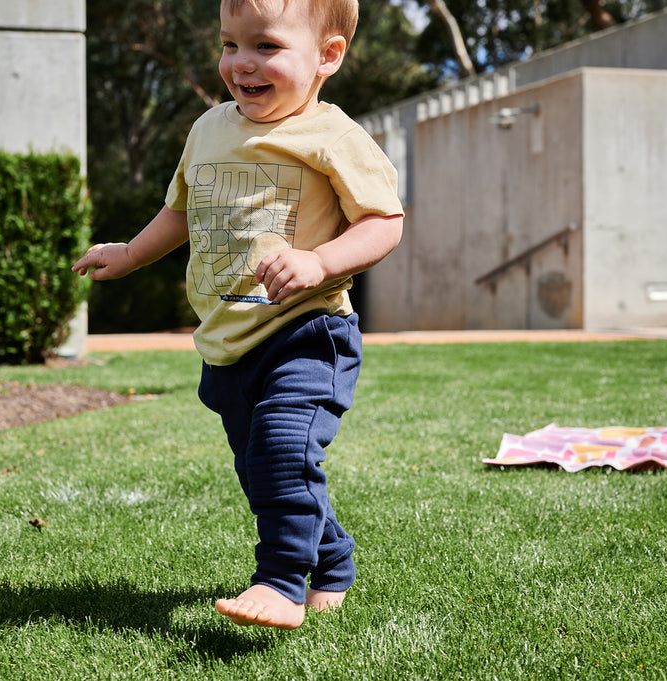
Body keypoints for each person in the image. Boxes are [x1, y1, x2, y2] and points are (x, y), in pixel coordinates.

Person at [72, 0, 403, 629]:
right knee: (265, 473)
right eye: (229, 44)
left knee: (284, 450)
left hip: (307, 330)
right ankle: (331, 561)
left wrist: (322, 261)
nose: (240, 63)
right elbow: (179, 210)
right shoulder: (209, 128)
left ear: (326, 57)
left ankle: (279, 581)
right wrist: (130, 253)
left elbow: (383, 222)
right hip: (228, 341)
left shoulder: (332, 135)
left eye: (266, 46)